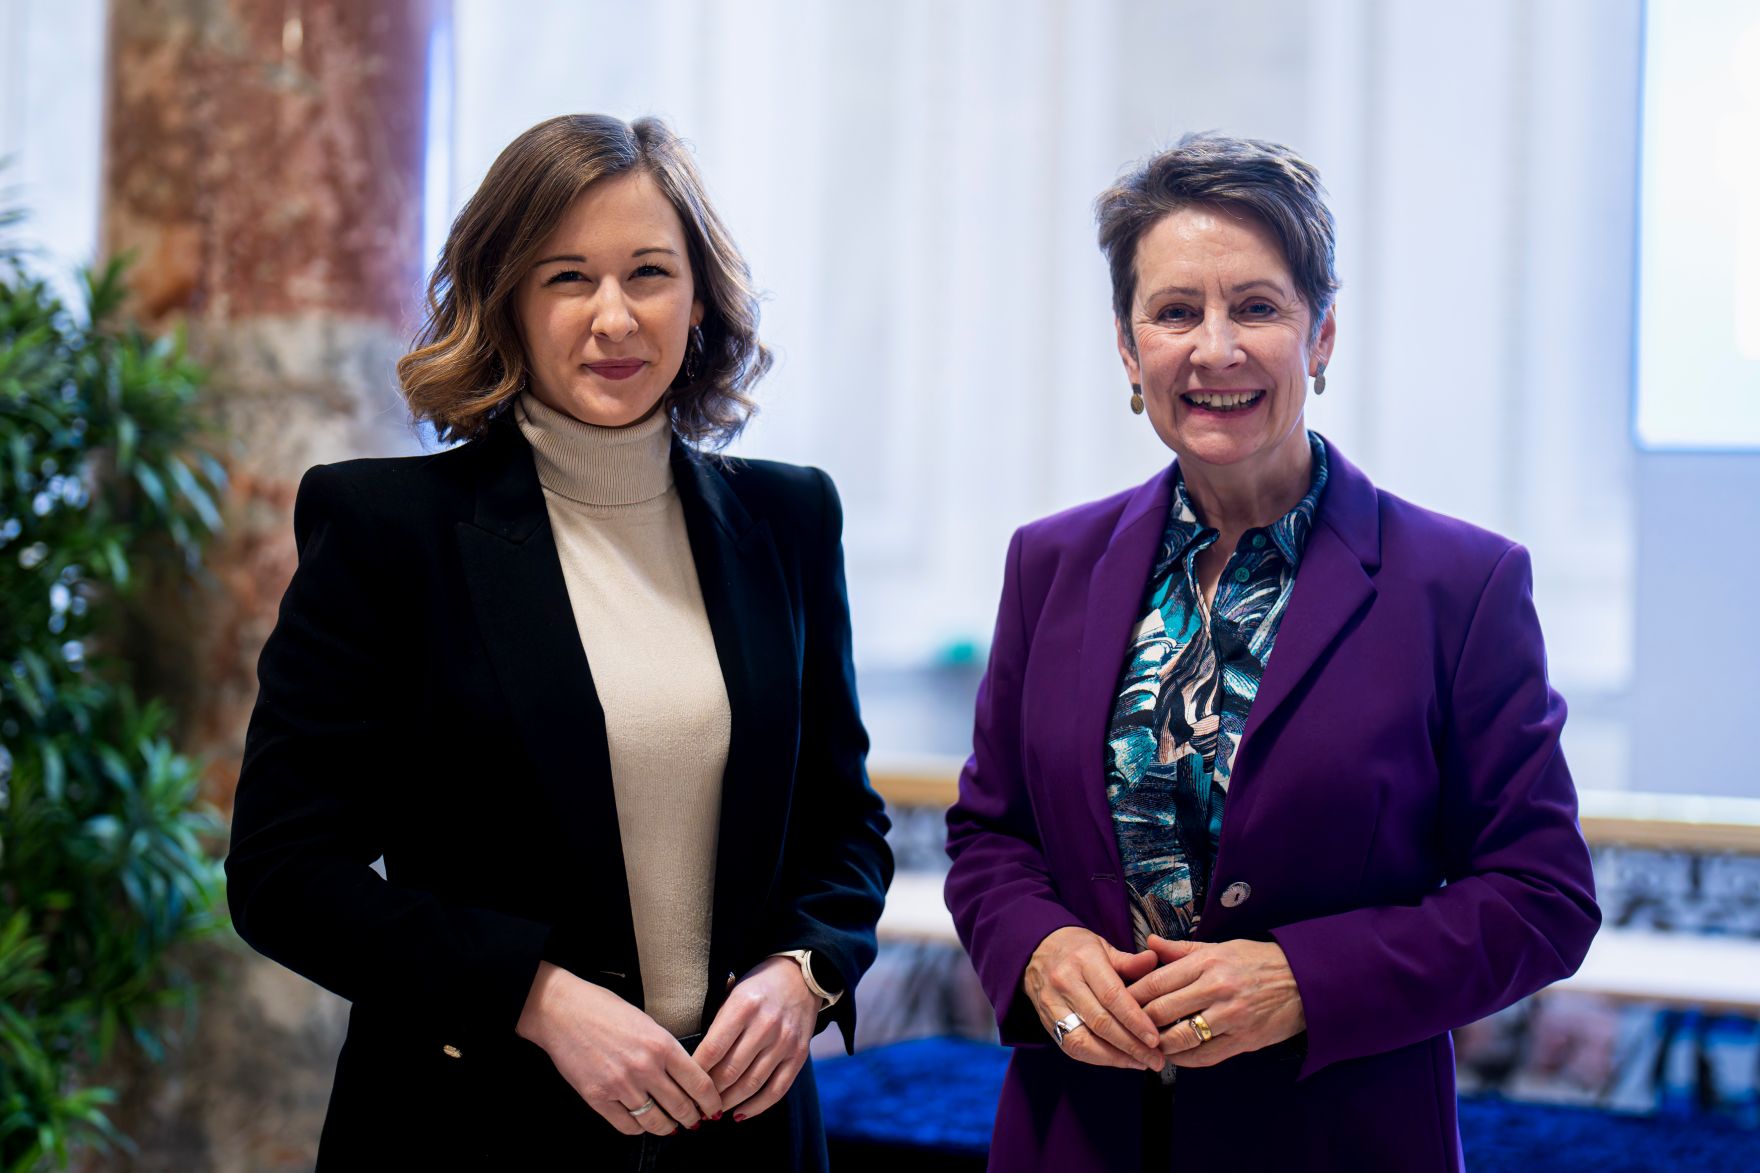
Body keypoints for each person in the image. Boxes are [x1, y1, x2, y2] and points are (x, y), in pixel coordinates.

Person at [226, 114, 892, 1170]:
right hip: (474, 1127)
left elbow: (842, 825)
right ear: (506, 302)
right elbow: (282, 872)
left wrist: (802, 973)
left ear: (701, 295)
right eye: (567, 278)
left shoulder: (790, 518)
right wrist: (532, 995)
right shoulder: (387, 530)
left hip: (742, 1138)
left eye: (649, 273)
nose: (615, 318)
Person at [943, 133, 1598, 1171]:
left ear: (1321, 333)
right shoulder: (1048, 564)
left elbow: (1541, 897)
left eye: (1255, 307)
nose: (1214, 349)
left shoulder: (1458, 585)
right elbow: (989, 840)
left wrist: (1304, 978)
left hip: (1336, 1137)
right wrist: (1038, 948)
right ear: (1126, 348)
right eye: (1172, 312)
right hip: (1076, 1137)